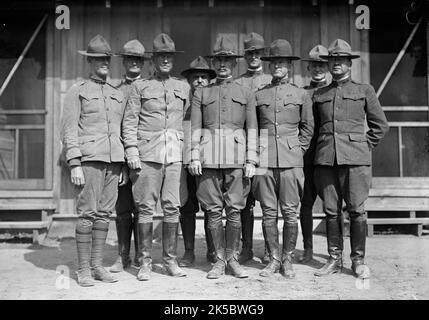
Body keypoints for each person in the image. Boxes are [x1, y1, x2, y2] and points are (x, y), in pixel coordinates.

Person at [313, 39, 389, 278]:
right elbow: (313, 130)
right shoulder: (319, 94)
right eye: (332, 60)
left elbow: (380, 125)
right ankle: (334, 259)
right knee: (331, 211)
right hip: (326, 159)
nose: (336, 64)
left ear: (349, 64)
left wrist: (364, 146)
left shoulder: (364, 90)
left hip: (356, 161)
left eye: (341, 60)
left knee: (357, 211)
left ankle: (358, 261)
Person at [189, 35, 258, 279]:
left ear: (234, 63)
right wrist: (194, 155)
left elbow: (252, 129)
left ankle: (233, 258)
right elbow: (195, 127)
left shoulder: (246, 92)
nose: (222, 65)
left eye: (227, 60)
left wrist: (251, 160)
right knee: (213, 211)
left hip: (237, 159)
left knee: (235, 211)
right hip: (208, 159)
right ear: (213, 63)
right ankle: (218, 260)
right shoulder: (202, 93)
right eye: (218, 60)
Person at [122, 33, 190, 281]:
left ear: (172, 59)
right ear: (152, 60)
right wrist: (131, 150)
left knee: (172, 207)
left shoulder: (183, 87)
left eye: (168, 57)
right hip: (147, 155)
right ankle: (145, 263)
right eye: (160, 56)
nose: (165, 61)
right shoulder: (140, 87)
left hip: (173, 154)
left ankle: (171, 261)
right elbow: (130, 122)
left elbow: (186, 120)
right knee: (145, 208)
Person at [61, 35, 125, 286]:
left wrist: (120, 164)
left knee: (104, 213)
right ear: (89, 61)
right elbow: (69, 129)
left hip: (113, 162)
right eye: (98, 58)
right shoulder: (78, 91)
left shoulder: (116, 93)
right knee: (87, 213)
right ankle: (83, 269)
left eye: (106, 59)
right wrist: (74, 162)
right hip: (89, 160)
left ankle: (98, 265)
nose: (103, 63)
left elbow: (120, 129)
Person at [253, 39, 314, 278]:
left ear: (289, 65)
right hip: (264, 160)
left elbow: (308, 127)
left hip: (291, 161)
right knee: (268, 212)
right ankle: (273, 258)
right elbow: (252, 127)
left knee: (290, 212)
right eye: (274, 62)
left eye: (282, 62)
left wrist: (298, 149)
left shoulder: (300, 94)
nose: (277, 66)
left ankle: (287, 259)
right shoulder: (259, 95)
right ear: (269, 66)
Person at [110, 39, 149, 273]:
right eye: (130, 59)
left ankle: (141, 258)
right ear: (123, 62)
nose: (134, 63)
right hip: (122, 160)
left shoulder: (149, 88)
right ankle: (122, 256)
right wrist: (122, 162)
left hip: (144, 158)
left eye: (138, 59)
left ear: (143, 63)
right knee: (123, 209)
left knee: (143, 208)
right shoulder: (115, 91)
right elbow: (115, 128)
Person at [234, 32, 272, 264]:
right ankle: (246, 247)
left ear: (263, 55)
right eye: (250, 54)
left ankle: (269, 249)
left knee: (268, 201)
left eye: (257, 53)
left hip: (267, 145)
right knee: (245, 202)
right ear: (245, 57)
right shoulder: (238, 82)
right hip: (244, 145)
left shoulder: (270, 80)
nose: (254, 57)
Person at [178, 56, 217, 267]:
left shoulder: (214, 102)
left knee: (212, 206)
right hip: (185, 161)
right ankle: (189, 251)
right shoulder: (182, 103)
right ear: (189, 81)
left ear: (210, 80)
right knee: (187, 206)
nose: (200, 81)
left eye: (204, 77)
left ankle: (212, 250)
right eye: (196, 77)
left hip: (209, 161)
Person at [298, 44, 330, 263]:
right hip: (307, 158)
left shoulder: (333, 91)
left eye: (322, 65)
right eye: (314, 65)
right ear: (308, 68)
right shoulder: (302, 93)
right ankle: (308, 249)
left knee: (332, 206)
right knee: (305, 204)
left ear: (327, 67)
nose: (318, 69)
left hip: (328, 157)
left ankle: (333, 254)